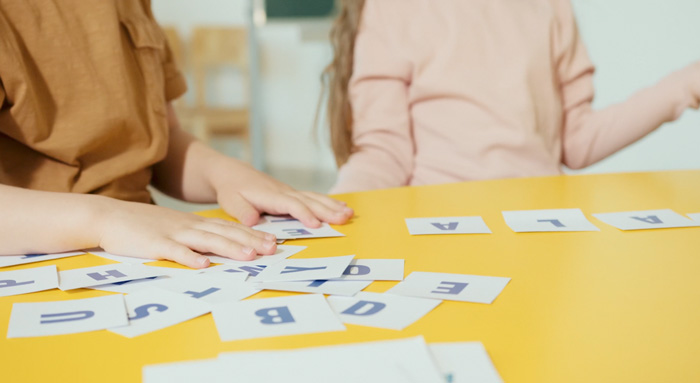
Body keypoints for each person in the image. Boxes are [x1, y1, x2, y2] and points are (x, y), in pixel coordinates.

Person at [0, 0, 353, 269]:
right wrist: (105, 219)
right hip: (38, 260)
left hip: (142, 255)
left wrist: (222, 173)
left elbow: (162, 140)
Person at [322, 0, 700, 193]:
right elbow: (385, 153)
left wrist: (682, 86)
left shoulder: (549, 6)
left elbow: (577, 141)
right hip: (437, 227)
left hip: (541, 226)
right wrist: (334, 211)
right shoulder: (392, 8)